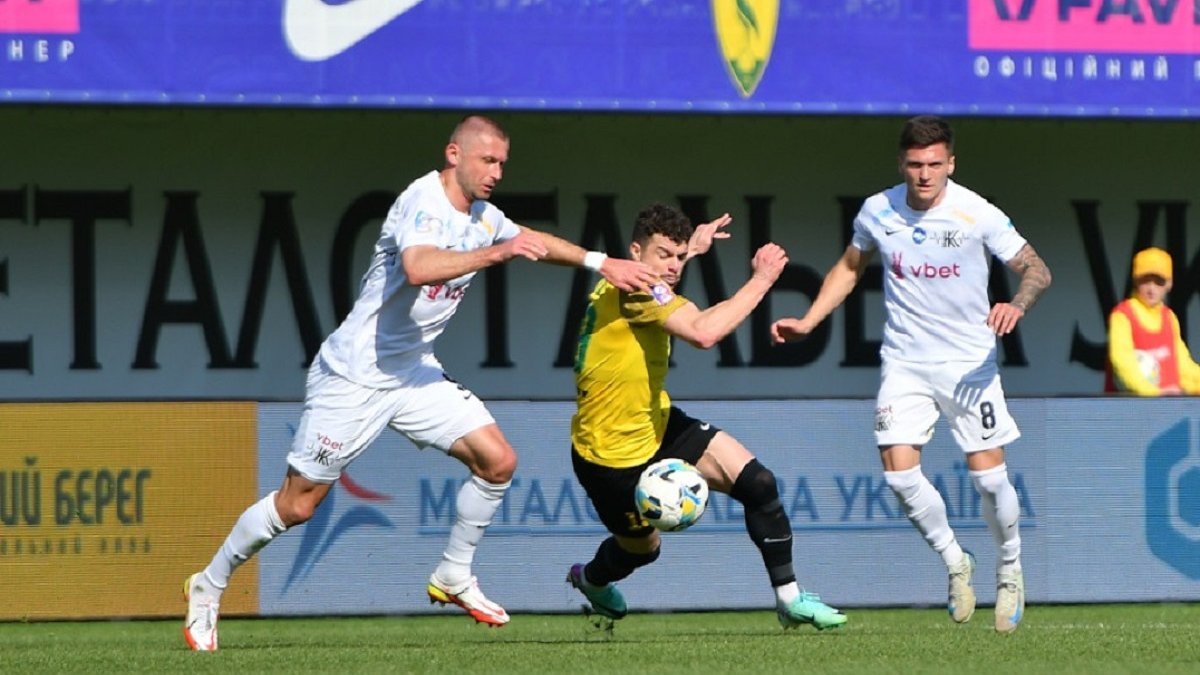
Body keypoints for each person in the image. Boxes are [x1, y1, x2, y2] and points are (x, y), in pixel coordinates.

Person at [182, 115, 658, 651]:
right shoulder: (423, 201)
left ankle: (453, 573)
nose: (497, 172)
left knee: (498, 461)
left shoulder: (483, 215)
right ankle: (209, 584)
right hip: (355, 376)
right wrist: (495, 252)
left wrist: (601, 262)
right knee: (297, 505)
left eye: (503, 163)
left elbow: (531, 241)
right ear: (454, 155)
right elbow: (418, 268)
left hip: (412, 373)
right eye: (488, 160)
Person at [770, 115, 1051, 634]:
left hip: (968, 364)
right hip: (905, 362)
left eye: (935, 164)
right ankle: (956, 561)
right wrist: (809, 321)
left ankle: (1010, 568)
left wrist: (1016, 304)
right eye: (916, 164)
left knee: (990, 480)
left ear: (951, 164)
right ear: (902, 164)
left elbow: (1037, 269)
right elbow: (850, 267)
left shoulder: (976, 212)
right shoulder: (878, 210)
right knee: (899, 474)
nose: (925, 174)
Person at [565, 203, 847, 631]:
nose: (673, 266)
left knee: (759, 483)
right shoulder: (637, 288)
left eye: (679, 257)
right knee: (643, 550)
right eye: (663, 254)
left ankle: (790, 598)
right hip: (610, 455)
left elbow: (673, 288)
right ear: (635, 252)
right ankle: (591, 579)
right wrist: (763, 279)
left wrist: (690, 251)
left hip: (656, 422)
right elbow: (704, 332)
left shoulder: (637, 277)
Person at [1106, 247, 1200, 395]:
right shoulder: (1122, 315)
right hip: (1130, 407)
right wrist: (1155, 395)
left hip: (1168, 407)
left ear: (1169, 284)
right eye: (1145, 281)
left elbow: (1182, 366)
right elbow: (1122, 362)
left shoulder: (1169, 317)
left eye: (1159, 282)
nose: (1151, 289)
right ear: (1135, 281)